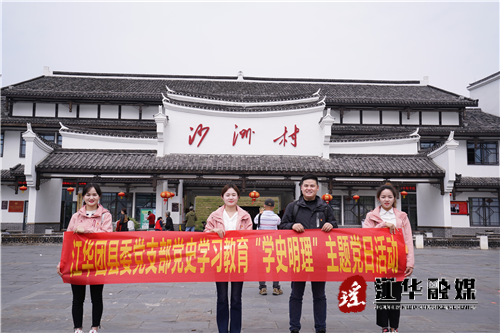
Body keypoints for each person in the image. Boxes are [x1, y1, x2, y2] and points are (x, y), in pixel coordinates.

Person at [279, 174, 337, 333]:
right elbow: (282, 226)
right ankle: (294, 327)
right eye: (306, 186)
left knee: (319, 295)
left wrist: (330, 225)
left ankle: (320, 327)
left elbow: (335, 224)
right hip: (298, 257)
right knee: (296, 294)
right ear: (301, 188)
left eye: (312, 186)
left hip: (320, 258)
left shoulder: (325, 207)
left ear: (317, 188)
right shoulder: (293, 207)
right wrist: (292, 225)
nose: (309, 188)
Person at [56, 183, 112, 333]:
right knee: (77, 298)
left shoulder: (106, 215)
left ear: (99, 196)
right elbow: (67, 240)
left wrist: (85, 230)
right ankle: (78, 328)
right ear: (83, 197)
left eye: (94, 194)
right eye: (88, 195)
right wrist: (62, 262)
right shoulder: (76, 216)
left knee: (96, 297)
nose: (91, 198)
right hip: (77, 262)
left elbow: (106, 237)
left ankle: (94, 327)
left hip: (97, 262)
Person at [363, 184, 415, 333]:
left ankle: (394, 326)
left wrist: (410, 262)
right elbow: (366, 235)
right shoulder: (371, 216)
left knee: (395, 294)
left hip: (397, 261)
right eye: (383, 196)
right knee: (381, 294)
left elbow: (407, 239)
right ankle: (384, 326)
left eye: (390, 197)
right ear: (378, 198)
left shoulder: (402, 216)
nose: (386, 199)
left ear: (395, 198)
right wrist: (383, 225)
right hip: (378, 260)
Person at [204, 184, 252, 333]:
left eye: (233, 195)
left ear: (238, 197)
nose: (230, 197)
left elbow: (250, 237)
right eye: (227, 195)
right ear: (222, 197)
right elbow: (205, 234)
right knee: (222, 298)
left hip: (239, 259)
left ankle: (235, 330)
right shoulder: (214, 215)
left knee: (236, 299)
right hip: (220, 260)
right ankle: (223, 330)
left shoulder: (245, 216)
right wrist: (213, 231)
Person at [255, 198, 283, 296]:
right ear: (274, 207)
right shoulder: (277, 217)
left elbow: (255, 222)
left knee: (261, 267)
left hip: (261, 246)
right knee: (275, 266)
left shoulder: (258, 216)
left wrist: (261, 213)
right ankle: (276, 288)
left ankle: (263, 288)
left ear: (264, 205)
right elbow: (279, 224)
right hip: (273, 245)